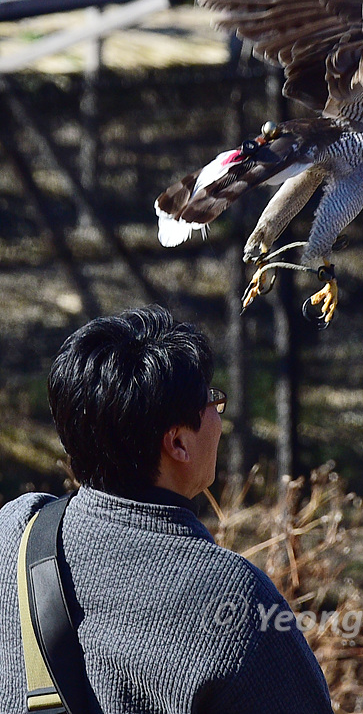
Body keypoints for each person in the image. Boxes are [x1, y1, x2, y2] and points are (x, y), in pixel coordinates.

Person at [0, 305, 333, 714]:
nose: (218, 416)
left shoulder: (15, 531)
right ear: (177, 443)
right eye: (211, 399)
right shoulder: (236, 603)